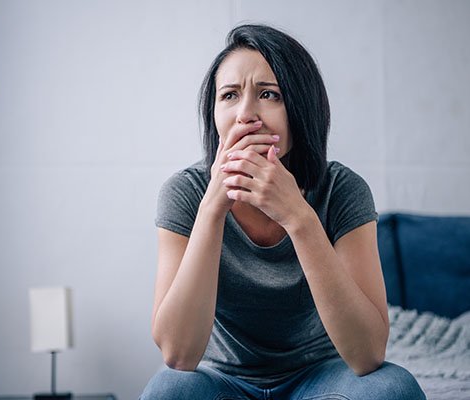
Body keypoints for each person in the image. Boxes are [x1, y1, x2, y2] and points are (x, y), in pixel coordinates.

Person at [141, 24, 426, 400]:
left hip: (321, 378)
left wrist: (298, 217)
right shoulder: (185, 193)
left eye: (268, 94)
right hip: (222, 383)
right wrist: (212, 208)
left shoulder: (342, 190)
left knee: (394, 388)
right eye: (229, 95)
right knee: (168, 389)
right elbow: (178, 355)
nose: (246, 114)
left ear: (300, 108)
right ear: (213, 113)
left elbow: (368, 355)